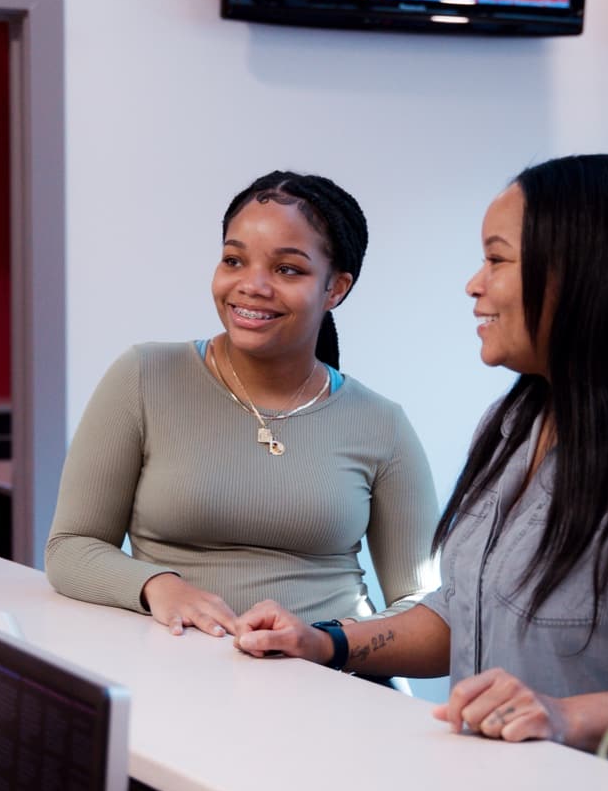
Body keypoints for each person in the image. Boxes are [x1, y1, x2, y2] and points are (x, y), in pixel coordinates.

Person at [233, 154, 608, 752]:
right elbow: (462, 615)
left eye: (497, 259)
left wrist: (562, 717)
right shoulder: (515, 423)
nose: (474, 284)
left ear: (586, 270)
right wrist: (328, 643)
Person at [45, 171, 440, 639]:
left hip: (331, 678)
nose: (252, 285)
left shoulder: (382, 423)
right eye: (234, 260)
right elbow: (72, 547)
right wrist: (158, 585)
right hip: (175, 669)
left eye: (287, 269)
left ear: (335, 289)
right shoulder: (144, 376)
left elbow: (425, 606)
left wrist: (330, 643)